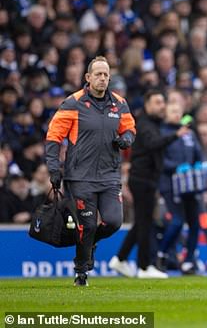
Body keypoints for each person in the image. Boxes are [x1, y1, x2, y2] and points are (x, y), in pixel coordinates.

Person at [45, 56, 136, 287]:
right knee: (87, 225)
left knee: (114, 222)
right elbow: (54, 136)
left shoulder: (119, 103)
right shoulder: (72, 103)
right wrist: (53, 168)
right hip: (79, 177)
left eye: (106, 74)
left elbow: (130, 129)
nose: (103, 78)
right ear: (88, 77)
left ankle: (90, 244)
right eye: (98, 74)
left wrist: (126, 139)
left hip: (109, 176)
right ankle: (81, 271)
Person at [109, 90, 189, 279]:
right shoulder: (144, 124)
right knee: (146, 224)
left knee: (142, 223)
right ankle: (144, 267)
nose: (162, 106)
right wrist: (176, 135)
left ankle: (120, 259)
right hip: (142, 179)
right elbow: (154, 143)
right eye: (158, 102)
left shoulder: (153, 123)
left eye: (163, 102)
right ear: (147, 104)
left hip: (147, 179)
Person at [156, 100, 203, 275]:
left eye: (179, 111)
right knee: (177, 220)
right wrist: (176, 167)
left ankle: (189, 261)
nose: (176, 114)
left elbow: (199, 154)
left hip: (190, 184)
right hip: (170, 184)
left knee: (195, 223)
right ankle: (161, 254)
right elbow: (161, 159)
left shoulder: (189, 134)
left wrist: (198, 165)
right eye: (173, 111)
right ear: (166, 113)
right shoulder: (163, 133)